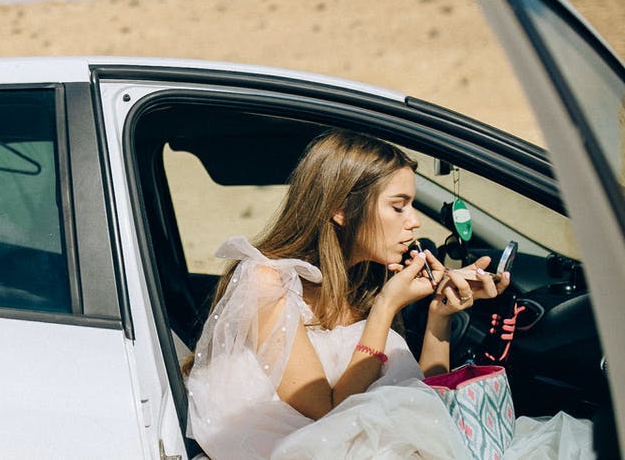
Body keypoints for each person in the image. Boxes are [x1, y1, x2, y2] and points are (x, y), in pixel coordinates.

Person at [184, 129, 593, 459]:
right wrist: (385, 308)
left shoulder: (364, 279)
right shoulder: (267, 283)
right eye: (399, 207)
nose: (414, 222)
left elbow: (421, 400)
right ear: (341, 209)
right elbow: (331, 413)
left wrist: (439, 316)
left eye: (412, 205)